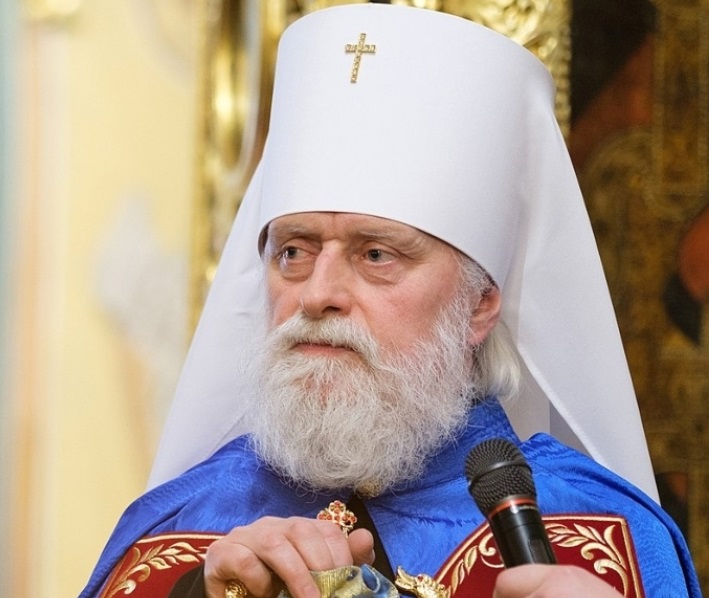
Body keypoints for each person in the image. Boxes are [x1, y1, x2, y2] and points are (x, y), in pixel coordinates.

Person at [80, 4, 701, 597]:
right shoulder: (188, 525)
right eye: (293, 252)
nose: (317, 294)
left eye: (376, 255)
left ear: (480, 304)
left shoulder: (596, 536)